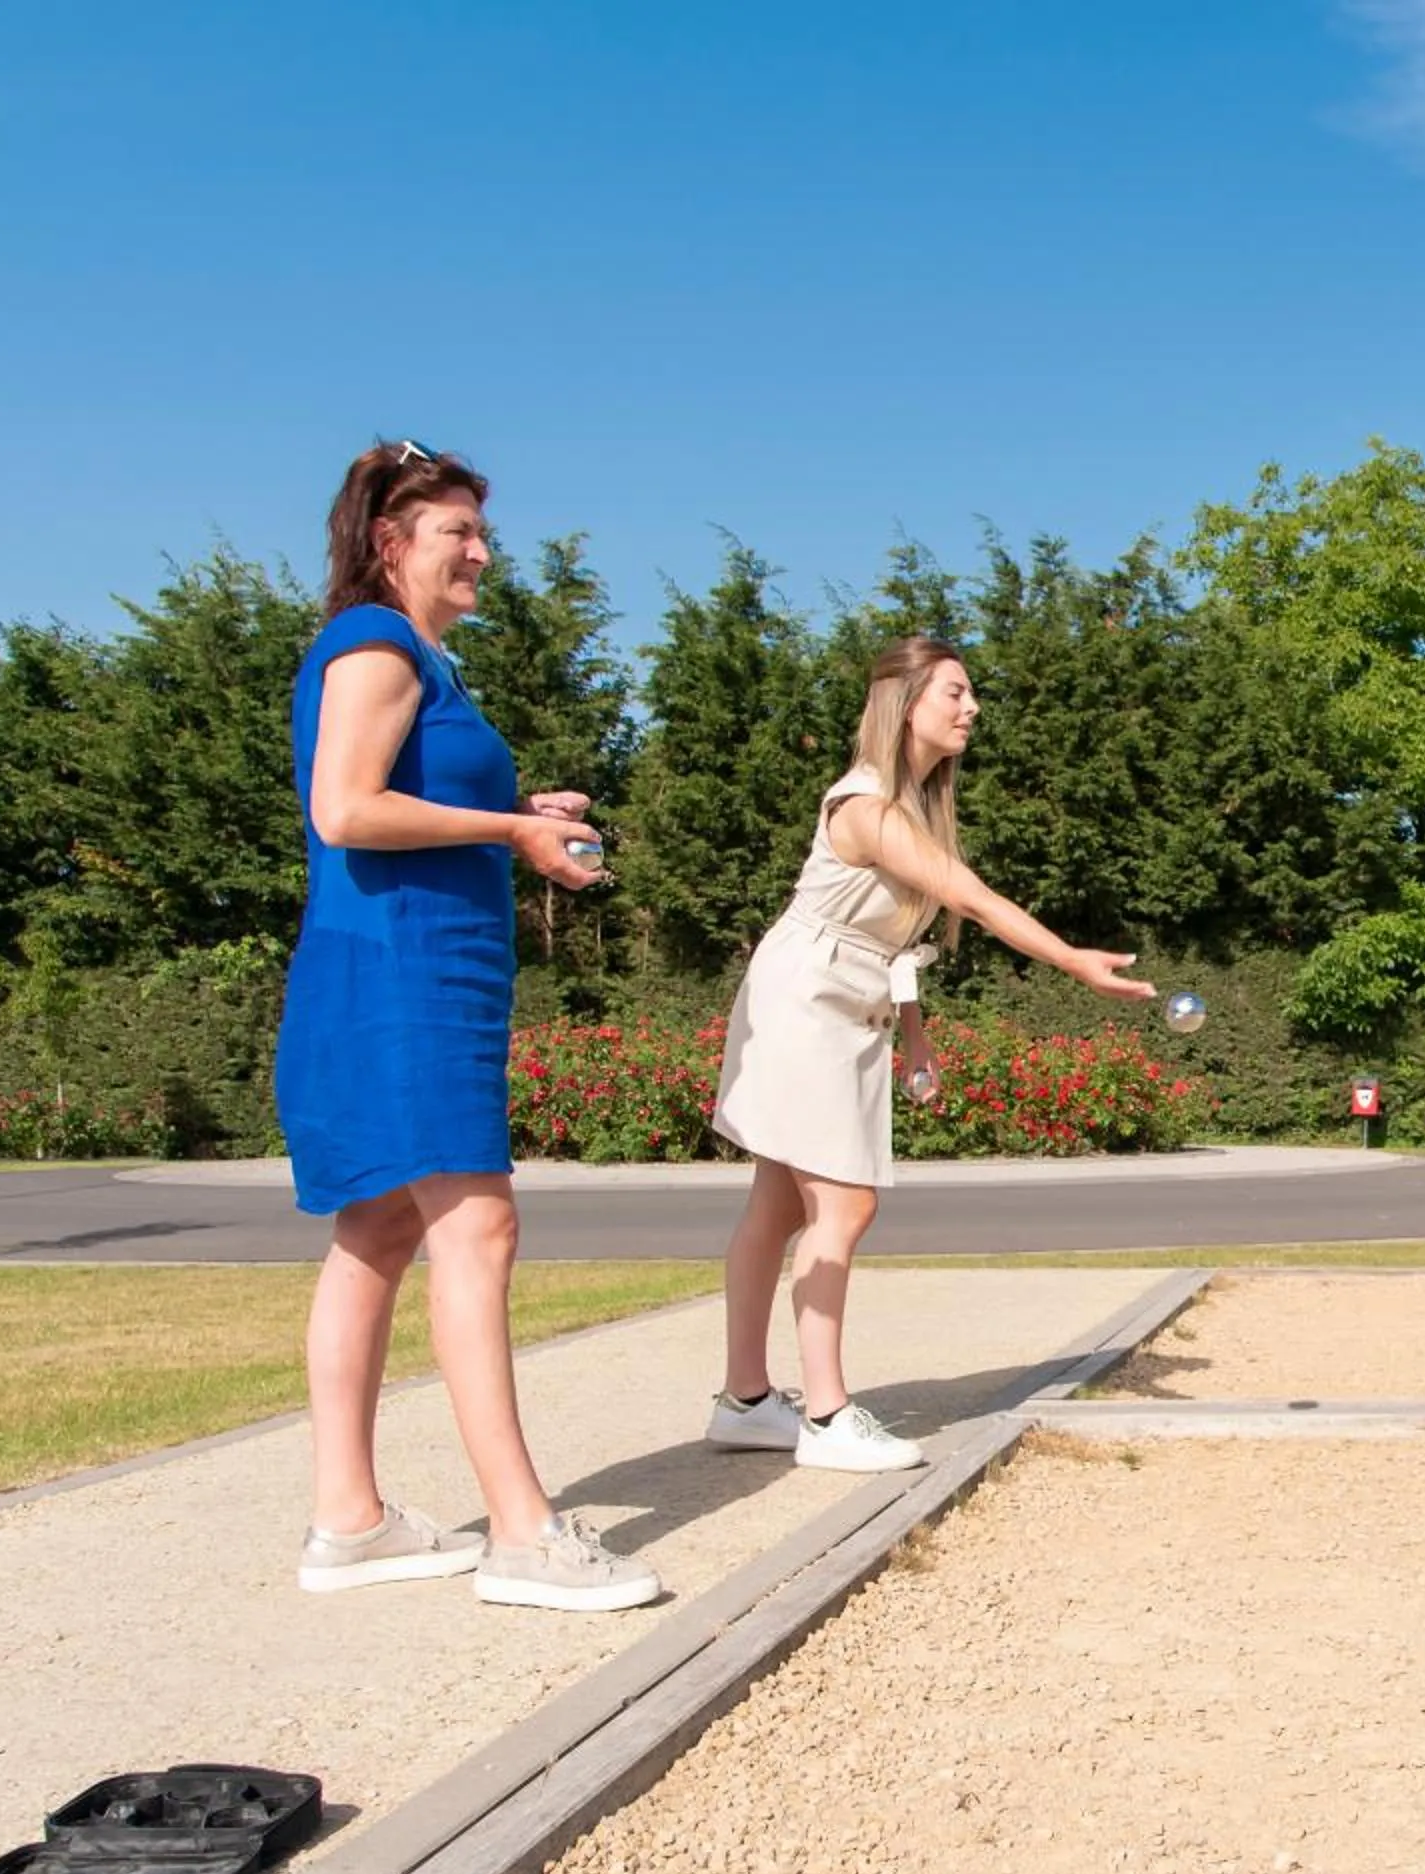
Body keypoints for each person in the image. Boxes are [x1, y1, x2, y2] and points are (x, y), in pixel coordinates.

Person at [275, 438, 659, 1613]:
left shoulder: (416, 658)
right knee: (475, 1225)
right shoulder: (377, 640)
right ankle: (524, 1532)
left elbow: (397, 797)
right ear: (390, 542)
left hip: (391, 972)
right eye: (458, 531)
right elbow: (344, 805)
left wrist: (513, 810)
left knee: (378, 1232)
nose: (484, 552)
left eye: (481, 532)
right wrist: (511, 834)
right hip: (403, 980)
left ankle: (351, 1520)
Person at [705, 635, 1154, 1470]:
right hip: (805, 1003)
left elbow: (895, 947)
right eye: (955, 692)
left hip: (843, 1002)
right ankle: (829, 1419)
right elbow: (968, 897)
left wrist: (913, 1035)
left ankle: (746, 1401)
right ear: (906, 702)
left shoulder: (908, 807)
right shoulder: (866, 806)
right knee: (841, 1206)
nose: (971, 707)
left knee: (775, 1204)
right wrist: (1072, 960)